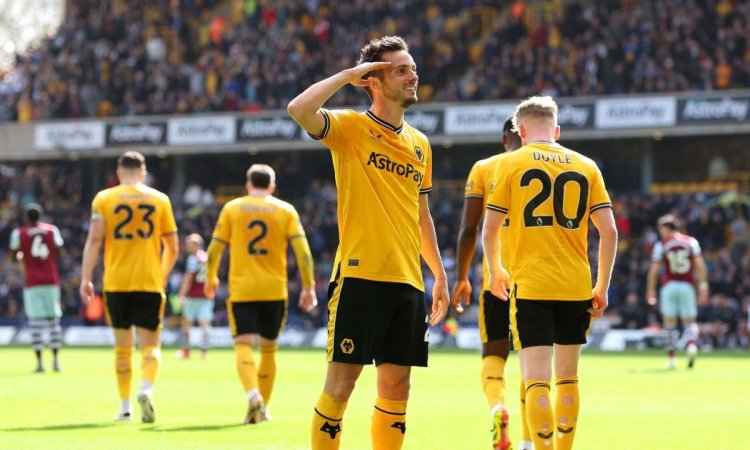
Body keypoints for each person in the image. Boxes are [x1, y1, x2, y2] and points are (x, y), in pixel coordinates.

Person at [288, 35, 450, 450]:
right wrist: (348, 75)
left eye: (413, 68)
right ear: (373, 81)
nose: (413, 76)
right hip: (360, 277)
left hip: (408, 281)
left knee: (397, 387)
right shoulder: (351, 128)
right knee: (342, 385)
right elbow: (299, 110)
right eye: (402, 70)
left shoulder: (420, 144)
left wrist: (438, 273)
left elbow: (421, 215)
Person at [482, 96, 618, 450]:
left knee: (536, 381)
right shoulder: (587, 165)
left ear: (521, 132)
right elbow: (609, 231)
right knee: (568, 378)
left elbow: (490, 228)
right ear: (556, 131)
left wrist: (495, 270)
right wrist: (602, 286)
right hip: (576, 286)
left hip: (532, 285)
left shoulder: (510, 163)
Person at [204, 164, 317, 425]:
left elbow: (214, 249)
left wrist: (210, 277)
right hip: (274, 289)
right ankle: (262, 408)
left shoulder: (232, 208)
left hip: (242, 289)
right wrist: (308, 286)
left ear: (248, 185)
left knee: (243, 345)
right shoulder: (285, 210)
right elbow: (303, 252)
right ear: (272, 186)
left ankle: (253, 396)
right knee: (268, 350)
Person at [79, 151, 179, 423]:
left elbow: (95, 240)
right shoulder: (160, 200)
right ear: (143, 173)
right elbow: (173, 248)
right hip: (149, 282)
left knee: (123, 349)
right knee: (151, 346)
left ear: (119, 173)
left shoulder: (104, 198)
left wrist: (86, 277)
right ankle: (146, 388)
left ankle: (124, 407)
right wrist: (161, 274)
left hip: (117, 283)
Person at [452, 118, 526, 450]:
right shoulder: (550, 166)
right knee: (535, 362)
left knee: (493, 353)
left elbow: (469, 229)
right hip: (537, 279)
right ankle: (529, 442)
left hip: (496, 279)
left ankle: (497, 406)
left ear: (504, 137)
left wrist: (461, 277)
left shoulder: (484, 168)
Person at [646, 214, 708, 369]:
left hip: (669, 286)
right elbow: (700, 266)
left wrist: (651, 290)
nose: (661, 233)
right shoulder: (691, 242)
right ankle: (691, 344)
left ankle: (672, 359)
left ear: (668, 228)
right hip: (687, 286)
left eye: (662, 229)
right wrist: (703, 287)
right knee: (690, 322)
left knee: (669, 324)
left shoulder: (662, 245)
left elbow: (654, 271)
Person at [9, 203, 64, 373]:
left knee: (35, 323)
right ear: (40, 216)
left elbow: (14, 256)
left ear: (27, 218)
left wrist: (22, 256)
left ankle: (40, 364)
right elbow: (59, 252)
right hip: (51, 280)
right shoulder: (52, 230)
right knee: (53, 321)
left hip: (32, 282)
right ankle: (56, 362)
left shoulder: (19, 233)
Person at [176, 234, 213, 360]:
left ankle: (186, 351)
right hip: (206, 296)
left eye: (190, 244)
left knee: (187, 323)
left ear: (197, 245)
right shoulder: (207, 257)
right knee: (205, 324)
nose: (187, 247)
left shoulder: (193, 259)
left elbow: (188, 278)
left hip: (192, 296)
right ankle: (204, 351)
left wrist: (181, 295)